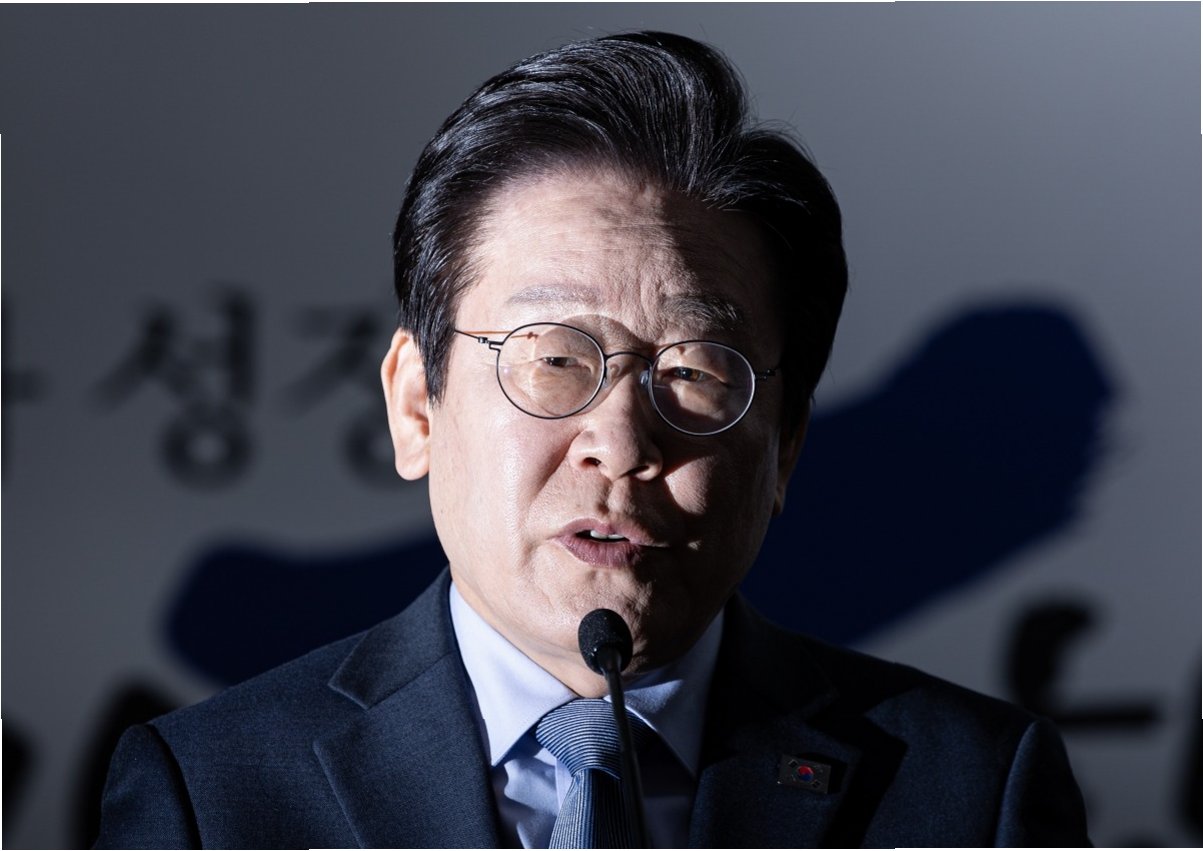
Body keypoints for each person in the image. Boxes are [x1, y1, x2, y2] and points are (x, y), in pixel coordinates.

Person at [95, 31, 1089, 848]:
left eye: (694, 372)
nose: (618, 442)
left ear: (784, 445)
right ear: (416, 405)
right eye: (556, 358)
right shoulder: (214, 793)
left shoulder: (970, 793)